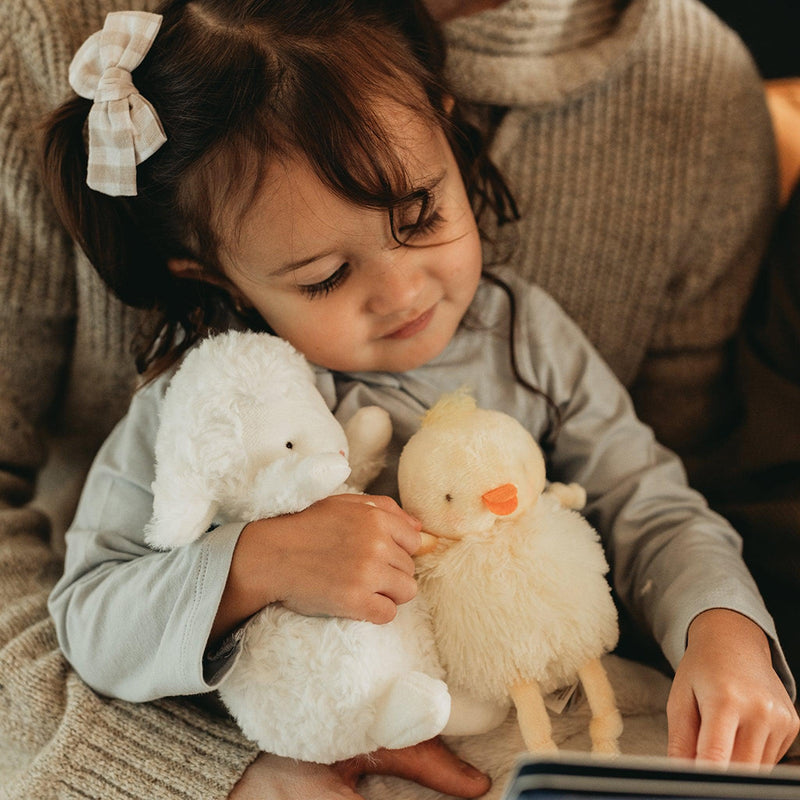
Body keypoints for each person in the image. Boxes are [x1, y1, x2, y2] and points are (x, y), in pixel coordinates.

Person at [0, 0, 793, 797]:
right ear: (207, 271)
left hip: (534, 737)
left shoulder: (528, 337)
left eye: (420, 216)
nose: (404, 290)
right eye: (325, 278)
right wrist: (253, 566)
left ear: (449, 130)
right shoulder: (205, 405)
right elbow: (91, 617)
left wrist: (719, 628)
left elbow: (647, 505)